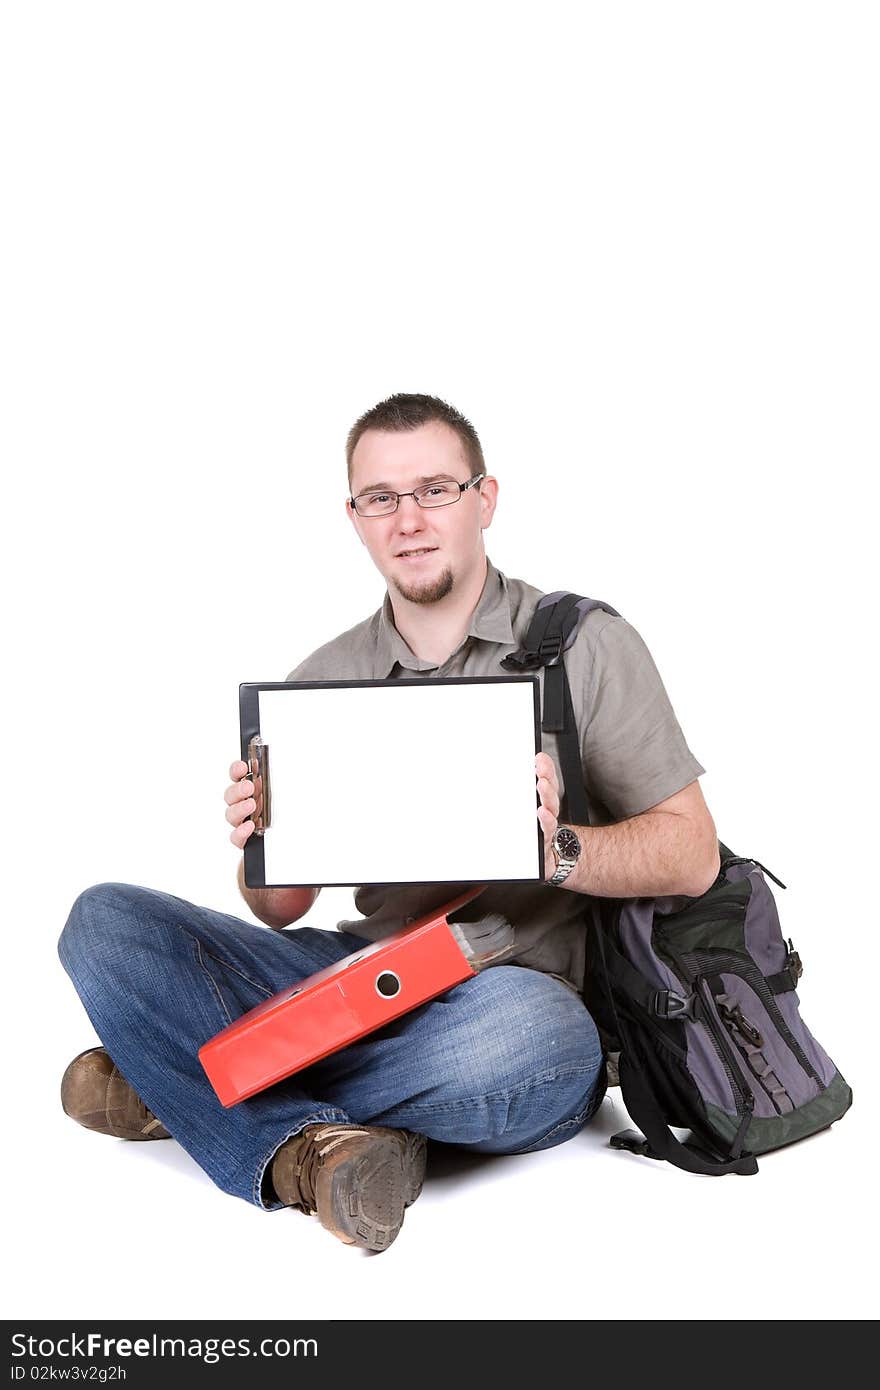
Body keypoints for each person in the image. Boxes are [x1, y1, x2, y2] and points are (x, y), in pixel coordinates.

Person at [58, 393, 719, 1253]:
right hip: (356, 978)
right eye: (381, 498)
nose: (409, 520)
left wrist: (556, 848)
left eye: (436, 490)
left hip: (510, 1001)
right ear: (355, 518)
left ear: (484, 500)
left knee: (535, 1039)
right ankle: (310, 1139)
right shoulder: (321, 678)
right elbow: (282, 910)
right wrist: (262, 843)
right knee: (102, 922)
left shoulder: (584, 646)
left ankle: (193, 1084)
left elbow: (692, 852)